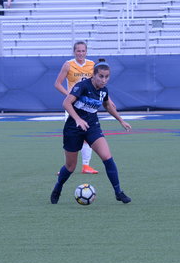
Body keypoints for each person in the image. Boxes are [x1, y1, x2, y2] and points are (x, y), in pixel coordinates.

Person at [51, 59, 132, 205]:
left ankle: (118, 192)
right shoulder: (82, 86)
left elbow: (108, 105)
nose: (104, 80)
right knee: (70, 166)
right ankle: (58, 187)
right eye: (101, 76)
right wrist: (77, 119)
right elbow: (66, 103)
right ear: (93, 75)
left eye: (107, 77)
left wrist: (121, 120)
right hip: (73, 128)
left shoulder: (104, 90)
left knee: (107, 157)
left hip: (92, 127)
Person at [54, 41, 100, 174]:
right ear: (74, 52)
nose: (80, 53)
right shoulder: (68, 65)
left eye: (83, 51)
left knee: (87, 135)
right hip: (72, 106)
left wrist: (108, 100)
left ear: (86, 52)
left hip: (87, 106)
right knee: (71, 136)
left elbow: (98, 83)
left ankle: (86, 166)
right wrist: (69, 95)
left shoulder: (92, 65)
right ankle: (67, 167)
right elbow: (57, 83)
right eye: (78, 51)